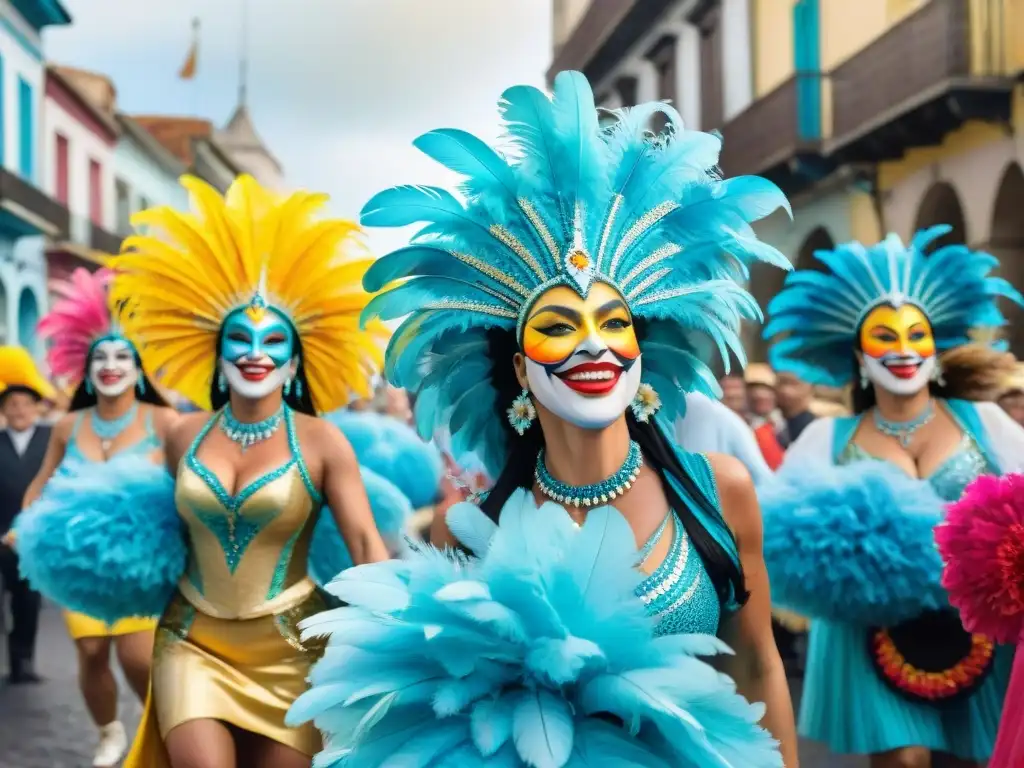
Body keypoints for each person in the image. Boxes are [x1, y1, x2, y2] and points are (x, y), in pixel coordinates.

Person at [292, 71, 798, 765]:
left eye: (613, 322)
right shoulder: (470, 529)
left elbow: (758, 668)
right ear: (522, 370)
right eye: (560, 326)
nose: (593, 343)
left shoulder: (719, 492)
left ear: (641, 353)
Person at [102, 174, 392, 767]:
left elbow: (365, 542)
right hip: (191, 642)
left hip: (294, 649)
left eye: (273, 340)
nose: (254, 350)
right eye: (239, 336)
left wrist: (402, 638)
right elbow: (155, 535)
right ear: (218, 349)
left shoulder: (322, 440)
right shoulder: (183, 435)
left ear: (293, 360)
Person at [763, 228, 1024, 768]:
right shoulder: (825, 439)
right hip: (869, 628)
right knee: (903, 760)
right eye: (885, 336)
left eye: (916, 335)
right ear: (859, 354)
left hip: (976, 625)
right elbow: (781, 534)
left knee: (972, 757)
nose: (903, 349)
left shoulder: (987, 422)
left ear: (935, 350)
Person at [19, 268, 175, 767]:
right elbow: (41, 483)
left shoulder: (162, 421)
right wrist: (28, 525)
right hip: (79, 564)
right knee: (90, 654)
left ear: (138, 367)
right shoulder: (68, 424)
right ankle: (109, 730)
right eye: (100, 357)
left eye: (121, 356)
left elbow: (189, 484)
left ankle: (160, 727)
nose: (110, 365)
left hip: (143, 567)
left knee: (136, 656)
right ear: (86, 369)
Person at [0, 346, 55, 684]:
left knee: (26, 603)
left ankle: (23, 662)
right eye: (11, 405)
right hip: (0, 535)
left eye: (24, 404)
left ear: (36, 407)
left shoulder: (51, 440)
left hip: (34, 537)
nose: (18, 410)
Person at [775, 371, 817, 445]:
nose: (785, 390)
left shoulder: (813, 427)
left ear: (810, 389)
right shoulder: (772, 422)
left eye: (794, 384)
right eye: (781, 383)